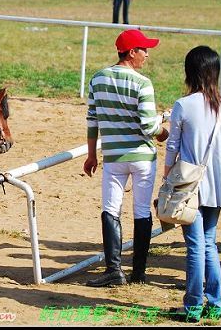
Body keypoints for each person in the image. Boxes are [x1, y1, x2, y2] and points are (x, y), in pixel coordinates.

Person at [83, 29, 169, 287]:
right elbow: (147, 126)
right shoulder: (143, 83)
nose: (147, 55)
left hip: (113, 156)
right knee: (141, 211)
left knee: (111, 210)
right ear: (131, 52)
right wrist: (162, 131)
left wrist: (90, 155)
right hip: (142, 156)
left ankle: (113, 270)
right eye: (144, 50)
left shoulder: (97, 79)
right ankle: (139, 272)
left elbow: (92, 121)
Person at [164, 46, 221, 323]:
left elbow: (172, 146)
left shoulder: (184, 104)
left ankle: (193, 304)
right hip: (217, 182)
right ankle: (215, 304)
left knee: (195, 245)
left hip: (188, 184)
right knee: (209, 243)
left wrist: (168, 175)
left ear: (190, 71)